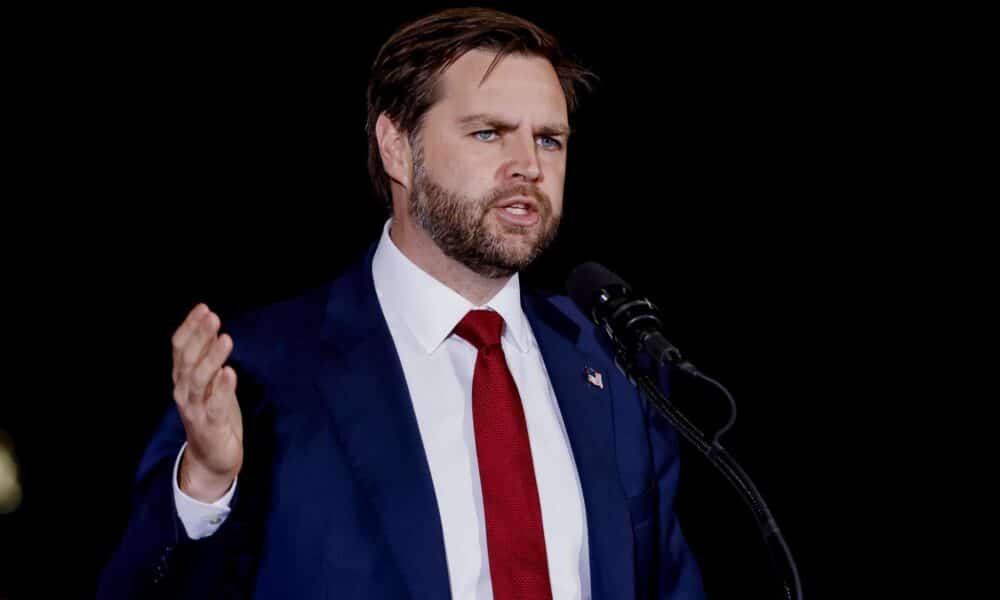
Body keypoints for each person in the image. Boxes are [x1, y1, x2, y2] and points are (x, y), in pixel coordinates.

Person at [97, 7, 707, 599]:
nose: (528, 167)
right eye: (488, 133)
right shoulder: (264, 371)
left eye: (549, 140)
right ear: (396, 147)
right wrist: (205, 485)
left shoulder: (614, 364)